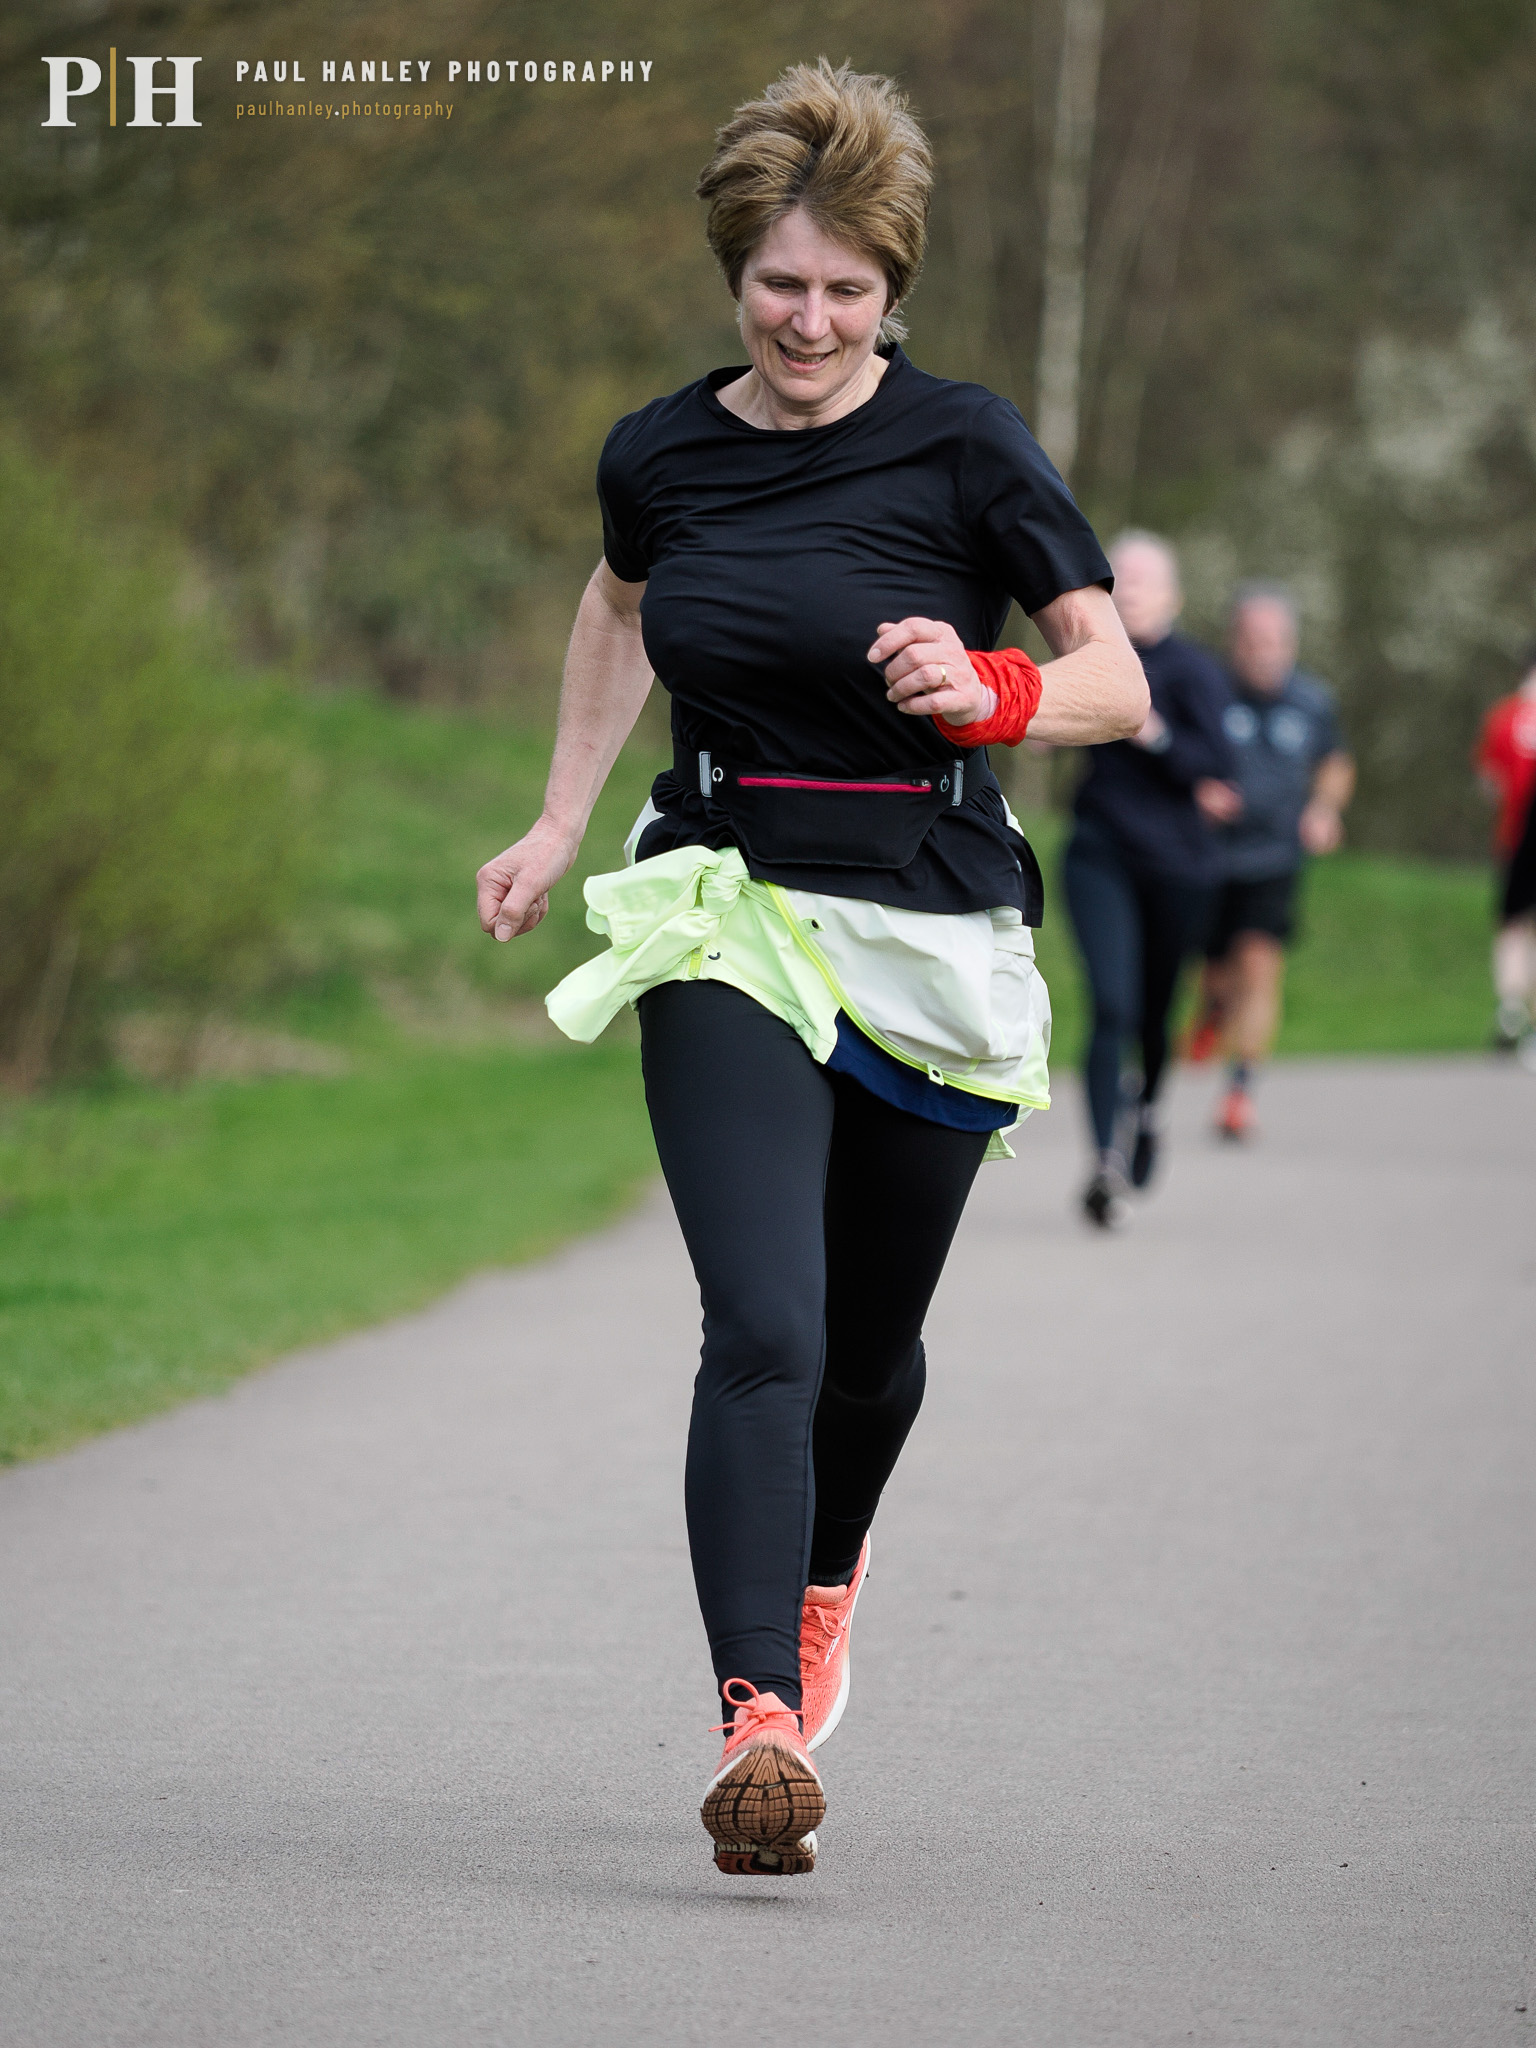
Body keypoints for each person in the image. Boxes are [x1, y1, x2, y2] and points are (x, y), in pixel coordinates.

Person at [473, 60, 1146, 1878]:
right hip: (722, 901)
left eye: (849, 289)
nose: (812, 319)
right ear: (733, 273)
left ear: (891, 288)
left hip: (927, 910)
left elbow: (1114, 679)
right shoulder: (661, 450)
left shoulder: (969, 446)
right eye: (783, 283)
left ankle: (828, 1570)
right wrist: (557, 821)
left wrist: (996, 688)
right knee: (762, 1321)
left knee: (867, 1344)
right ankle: (754, 1715)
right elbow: (617, 606)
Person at [1061, 531, 1239, 1228]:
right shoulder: (1091, 660)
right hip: (1100, 851)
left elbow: (1217, 763)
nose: (1127, 590)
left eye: (1141, 580)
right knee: (1112, 1007)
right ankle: (1104, 1162)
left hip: (1177, 866)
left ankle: (1151, 1108)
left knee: (1156, 1017)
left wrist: (1153, 732)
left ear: (1171, 594)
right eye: (1118, 579)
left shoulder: (1194, 669)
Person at [1187, 583, 1355, 1137]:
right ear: (1235, 642)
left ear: (1292, 643)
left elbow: (1335, 763)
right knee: (1216, 976)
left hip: (1276, 857)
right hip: (1210, 857)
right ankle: (1212, 1013)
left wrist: (1324, 809)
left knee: (1259, 966)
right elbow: (1175, 756)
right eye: (1253, 640)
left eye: (1275, 641)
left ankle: (1239, 1094)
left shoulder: (1312, 701)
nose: (1264, 652)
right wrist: (1197, 790)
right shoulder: (1208, 690)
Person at [1472, 649, 1536, 1053]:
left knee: (1513, 927)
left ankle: (1511, 1010)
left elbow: (1488, 781)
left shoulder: (1504, 716)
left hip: (1516, 837)